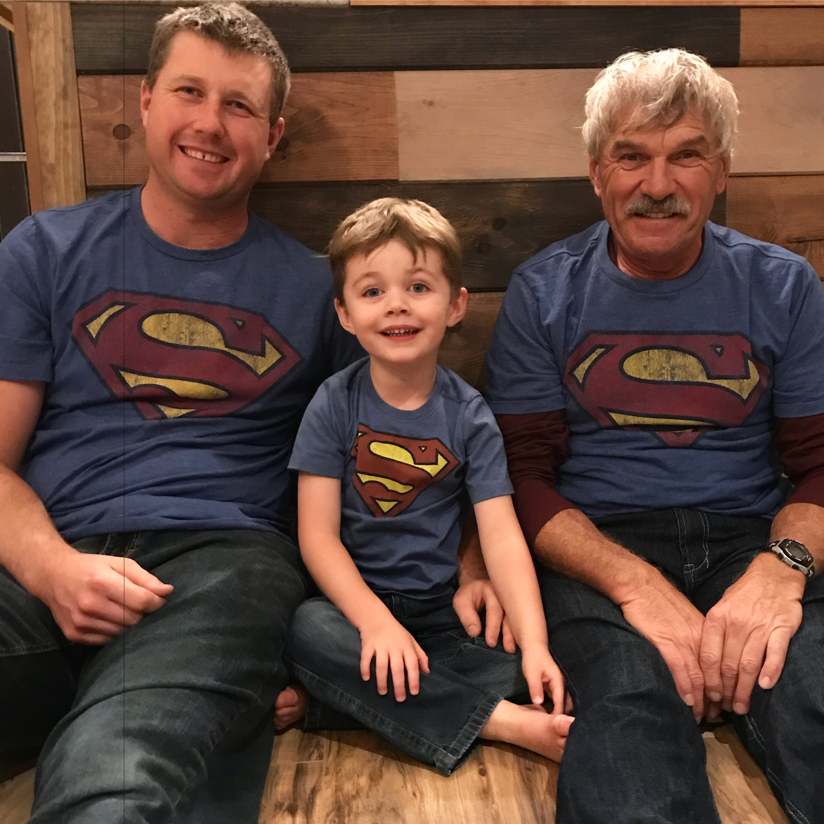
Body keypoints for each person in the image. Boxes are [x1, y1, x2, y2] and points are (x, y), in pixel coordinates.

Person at [0, 4, 369, 822]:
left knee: (114, 776)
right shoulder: (43, 252)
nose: (209, 123)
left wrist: (318, 647)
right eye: (188, 91)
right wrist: (53, 569)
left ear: (271, 137)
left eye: (238, 105)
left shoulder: (318, 293)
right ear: (144, 102)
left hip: (216, 568)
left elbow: (367, 476)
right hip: (41, 556)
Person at [484, 48, 824, 824]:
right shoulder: (544, 291)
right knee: (630, 715)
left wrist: (783, 568)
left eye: (687, 156)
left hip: (752, 538)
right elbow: (520, 477)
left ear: (722, 170)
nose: (659, 185)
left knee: (814, 693)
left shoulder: (784, 286)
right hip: (596, 547)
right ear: (597, 173)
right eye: (632, 156)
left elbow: (819, 464)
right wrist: (636, 585)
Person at [281, 197, 574, 774]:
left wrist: (537, 645)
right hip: (352, 610)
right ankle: (501, 723)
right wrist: (376, 624)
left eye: (418, 287)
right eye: (372, 291)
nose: (396, 304)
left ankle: (348, 701)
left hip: (441, 615)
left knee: (531, 665)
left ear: (456, 304)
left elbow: (502, 536)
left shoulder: (471, 415)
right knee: (305, 630)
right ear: (344, 313)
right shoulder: (333, 404)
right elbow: (317, 538)